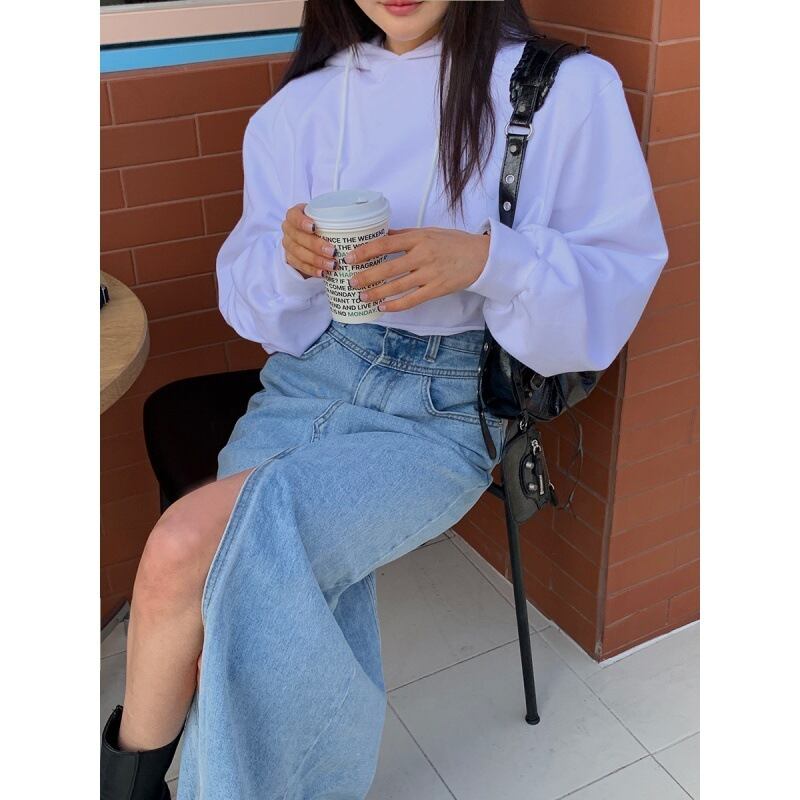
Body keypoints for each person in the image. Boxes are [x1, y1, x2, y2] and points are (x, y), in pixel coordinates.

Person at [100, 1, 669, 798]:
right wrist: (287, 260)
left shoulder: (564, 91)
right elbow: (253, 310)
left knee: (210, 559)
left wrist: (486, 262)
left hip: (448, 405)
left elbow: (616, 282)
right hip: (317, 372)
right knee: (186, 565)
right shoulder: (301, 107)